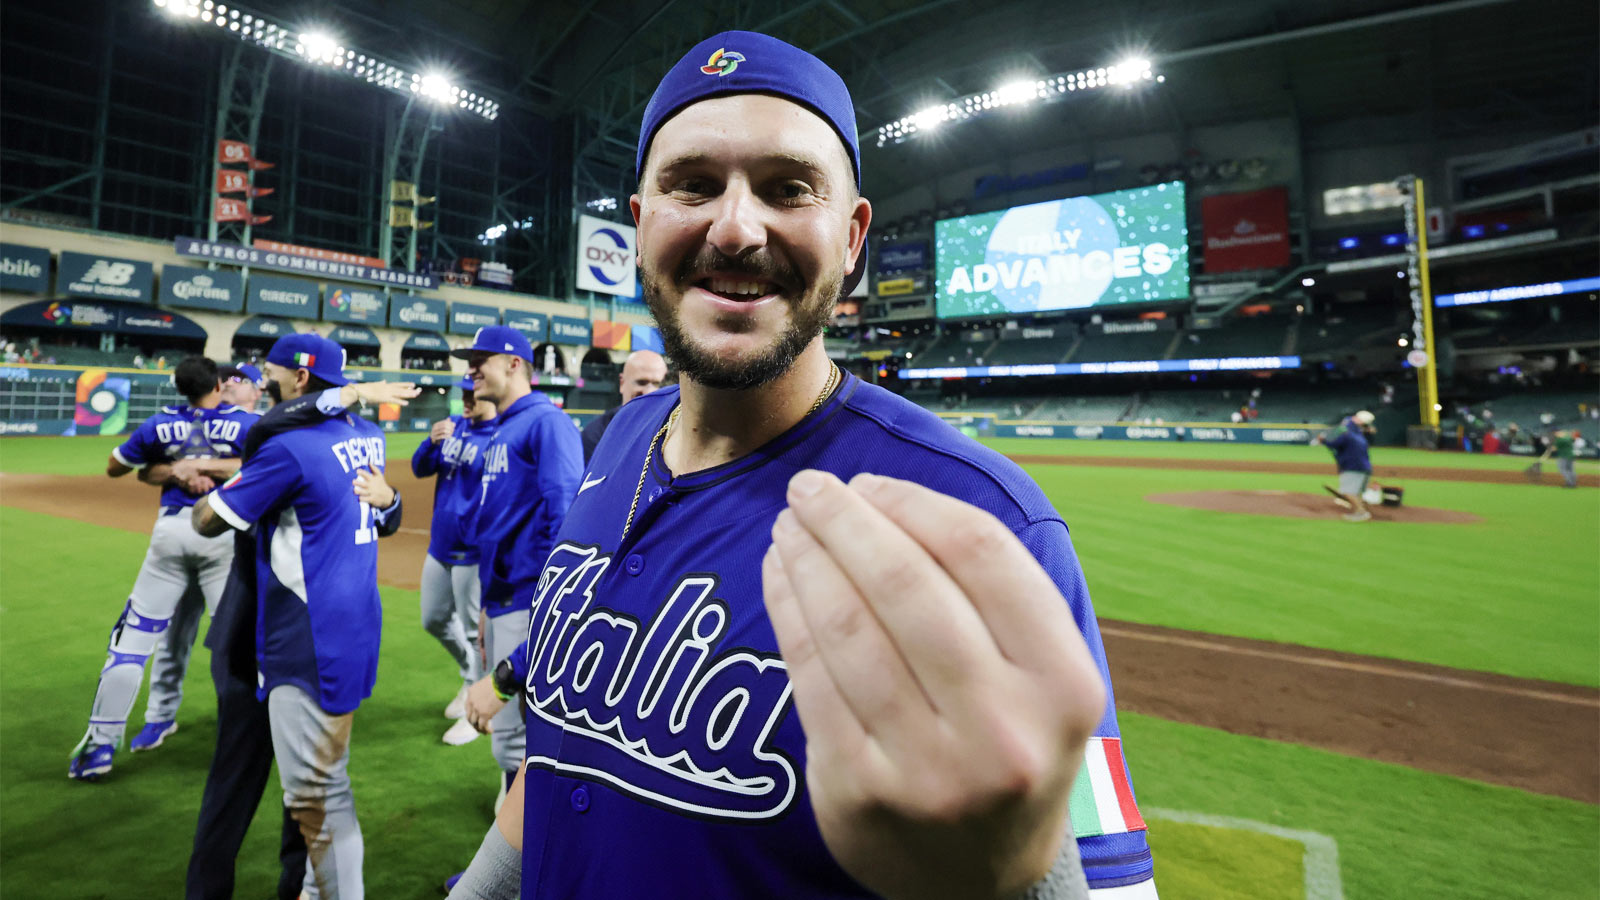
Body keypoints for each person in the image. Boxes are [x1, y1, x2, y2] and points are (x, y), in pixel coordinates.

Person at [450, 31, 1148, 900]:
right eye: (692, 185)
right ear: (639, 224)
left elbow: (1109, 883)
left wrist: (1006, 883)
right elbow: (563, 755)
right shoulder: (619, 442)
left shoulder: (989, 521)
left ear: (853, 237)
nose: (737, 229)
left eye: (789, 189)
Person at [184, 374, 419, 900]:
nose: (259, 380)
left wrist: (351, 395)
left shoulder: (287, 444)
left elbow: (209, 517)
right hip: (345, 630)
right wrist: (390, 499)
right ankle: (303, 889)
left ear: (302, 377)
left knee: (304, 792)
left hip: (285, 635)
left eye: (270, 372)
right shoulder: (363, 438)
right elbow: (380, 516)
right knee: (316, 785)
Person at [68, 356, 260, 780]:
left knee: (133, 642)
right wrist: (195, 466)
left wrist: (178, 465)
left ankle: (99, 748)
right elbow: (263, 465)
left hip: (170, 534)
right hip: (223, 535)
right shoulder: (247, 425)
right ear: (218, 384)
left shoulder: (159, 423)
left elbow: (117, 466)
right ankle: (244, 741)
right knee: (236, 644)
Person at [450, 326, 583, 803]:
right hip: (500, 596)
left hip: (528, 599)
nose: (470, 370)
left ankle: (511, 876)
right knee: (509, 742)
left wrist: (549, 602)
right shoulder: (507, 424)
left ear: (513, 363)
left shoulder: (546, 423)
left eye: (480, 359)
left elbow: (566, 514)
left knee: (517, 742)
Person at [413, 374, 500, 745]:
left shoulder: (500, 435)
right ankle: (469, 676)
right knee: (432, 619)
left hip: (471, 552)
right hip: (440, 545)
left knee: (471, 630)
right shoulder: (455, 427)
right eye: (462, 393)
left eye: (472, 393)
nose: (466, 399)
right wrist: (431, 444)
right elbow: (420, 468)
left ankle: (473, 708)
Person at [580, 349, 668, 461]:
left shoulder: (675, 432)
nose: (649, 391)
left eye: (656, 384)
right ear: (622, 383)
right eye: (641, 382)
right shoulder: (597, 434)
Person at [1315, 410, 1376, 521]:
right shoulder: (1360, 435)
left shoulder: (1348, 433)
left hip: (1353, 467)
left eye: (1356, 417)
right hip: (1365, 467)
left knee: (1349, 492)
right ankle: (1362, 509)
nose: (1352, 418)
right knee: (1357, 492)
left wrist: (1323, 441)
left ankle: (1361, 513)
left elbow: (1335, 444)